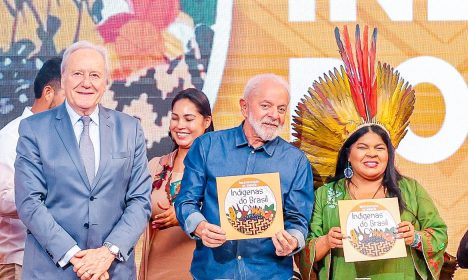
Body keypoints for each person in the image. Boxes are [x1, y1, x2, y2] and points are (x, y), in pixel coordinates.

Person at [294, 25, 448, 280]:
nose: (372, 155)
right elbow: (304, 249)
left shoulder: (410, 189)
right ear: (348, 155)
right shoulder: (326, 195)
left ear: (389, 154)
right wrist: (326, 242)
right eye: (362, 148)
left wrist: (416, 237)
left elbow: (439, 234)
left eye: (379, 148)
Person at [14, 41, 152, 280]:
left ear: (105, 82)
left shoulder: (130, 129)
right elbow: (29, 202)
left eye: (95, 75)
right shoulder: (33, 129)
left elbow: (140, 200)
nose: (86, 83)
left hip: (112, 269)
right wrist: (75, 256)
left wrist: (107, 253)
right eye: (78, 73)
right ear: (64, 77)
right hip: (51, 269)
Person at [174, 74, 314, 280]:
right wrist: (200, 227)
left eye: (281, 109)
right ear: (244, 107)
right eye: (266, 106)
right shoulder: (207, 146)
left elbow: (298, 219)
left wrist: (292, 240)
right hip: (214, 272)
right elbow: (185, 201)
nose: (275, 115)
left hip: (270, 273)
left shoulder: (296, 161)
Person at [0, 57, 64, 280]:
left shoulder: (65, 138)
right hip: (19, 260)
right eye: (68, 96)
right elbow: (2, 199)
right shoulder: (11, 136)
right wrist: (51, 197)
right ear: (48, 93)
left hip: (58, 260)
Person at [139, 88, 214, 279]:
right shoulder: (155, 166)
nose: (180, 125)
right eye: (175, 118)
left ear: (206, 121)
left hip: (204, 270)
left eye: (189, 119)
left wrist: (186, 214)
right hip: (157, 270)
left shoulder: (220, 167)